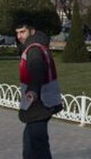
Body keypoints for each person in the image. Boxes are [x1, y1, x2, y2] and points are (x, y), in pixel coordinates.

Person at [16, 20, 63, 159]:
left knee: (38, 146)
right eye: (17, 33)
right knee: (30, 143)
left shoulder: (34, 49)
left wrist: (33, 91)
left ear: (32, 31)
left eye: (22, 32)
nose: (19, 36)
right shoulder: (38, 46)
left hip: (39, 104)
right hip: (41, 103)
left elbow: (37, 69)